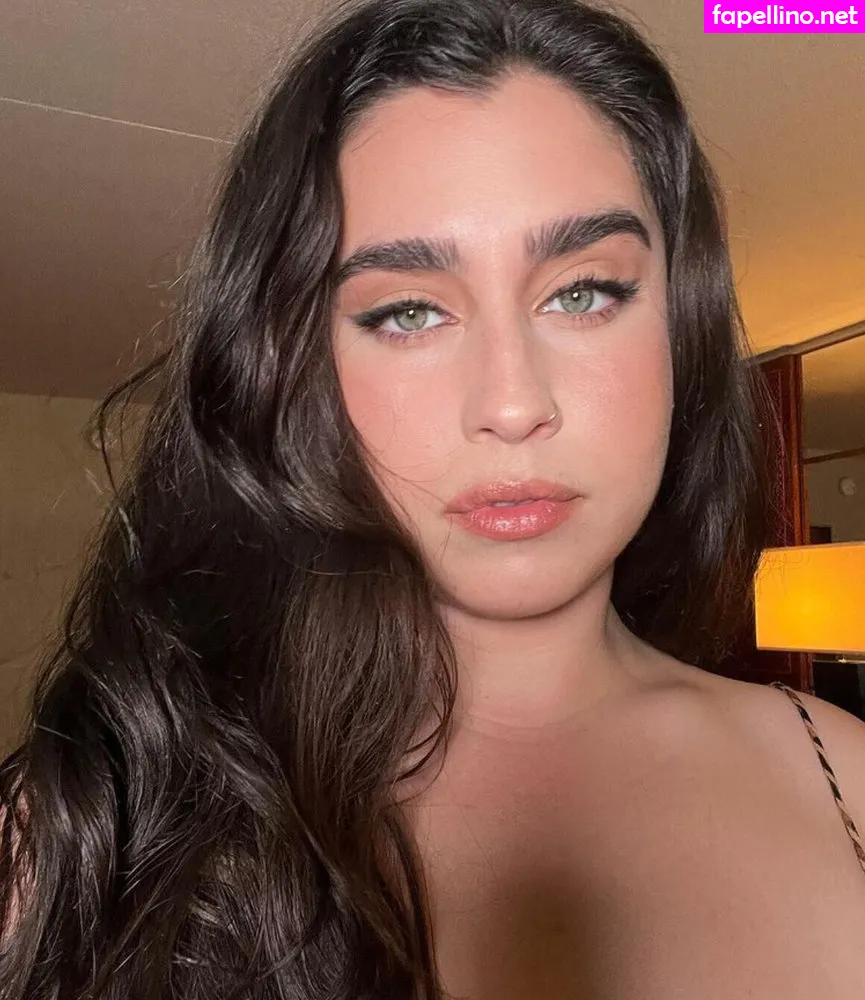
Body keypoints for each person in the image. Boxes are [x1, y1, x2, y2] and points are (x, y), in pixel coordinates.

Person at [2, 0, 865, 996]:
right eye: (408, 312)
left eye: (582, 292)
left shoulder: (841, 777)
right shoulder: (87, 836)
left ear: (680, 323)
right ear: (295, 367)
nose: (511, 403)